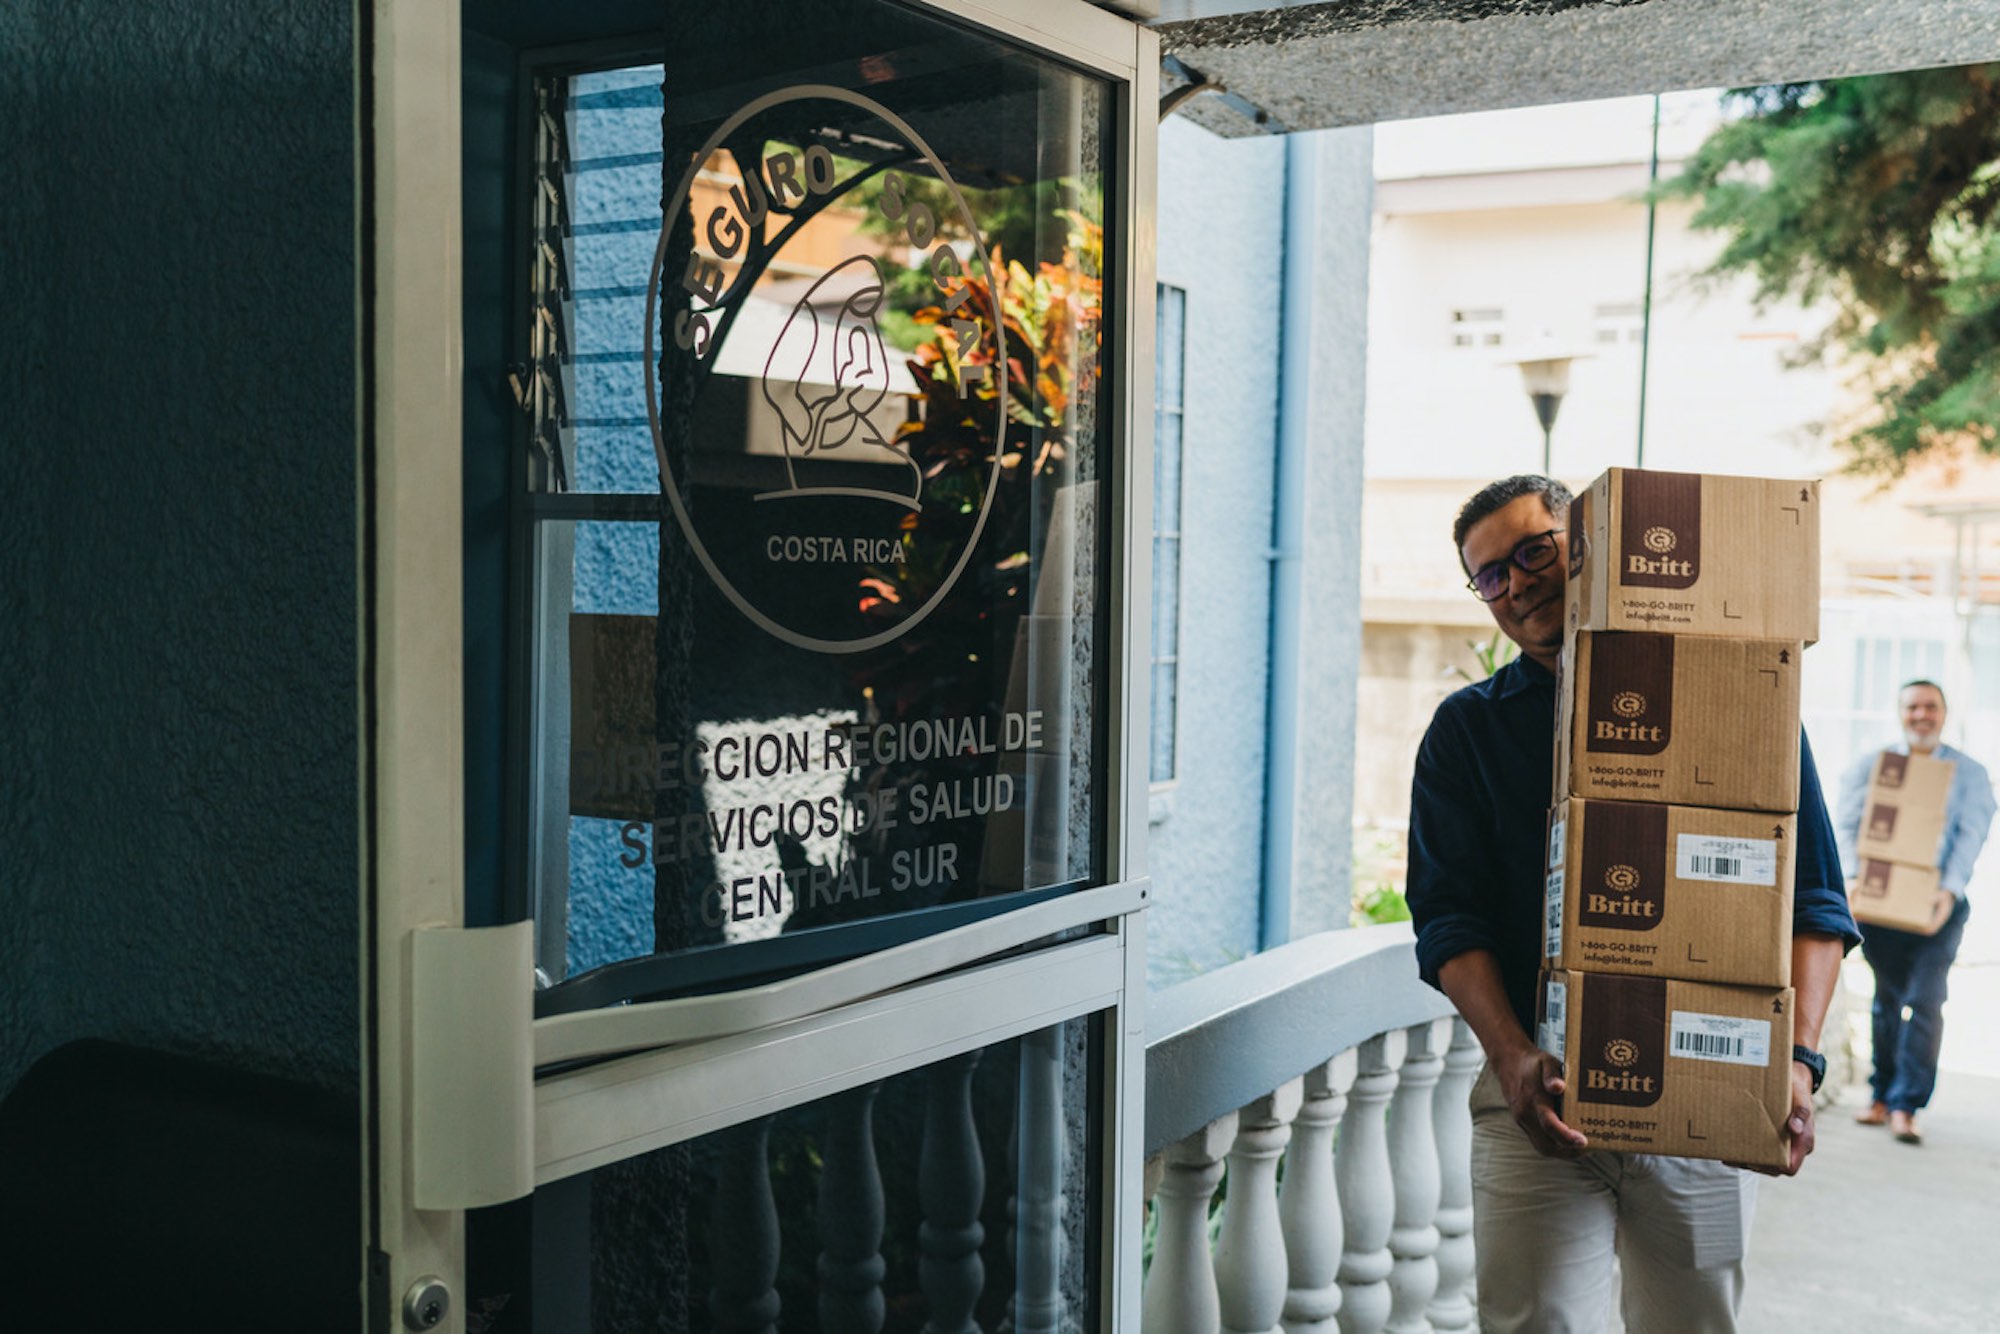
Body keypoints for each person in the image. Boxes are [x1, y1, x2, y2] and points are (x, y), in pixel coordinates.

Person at [1404, 474, 1859, 1334]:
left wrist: (1796, 1066)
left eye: (1534, 550)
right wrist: (1509, 1058)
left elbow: (1815, 901)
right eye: (1491, 575)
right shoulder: (1467, 731)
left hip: (1705, 1104)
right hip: (1538, 1103)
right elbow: (1446, 916)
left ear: (1592, 540)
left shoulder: (1744, 695)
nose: (1518, 583)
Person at [1834, 679, 1996, 1145]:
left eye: (1931, 707)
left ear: (1943, 714)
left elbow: (1972, 834)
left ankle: (1907, 1105)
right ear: (1899, 712)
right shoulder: (1873, 766)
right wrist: (1850, 879)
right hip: (1878, 909)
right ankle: (1881, 1095)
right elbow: (1846, 824)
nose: (1921, 715)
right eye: (1913, 707)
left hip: (1938, 908)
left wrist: (1948, 891)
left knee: (1924, 1001)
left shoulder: (1968, 773)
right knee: (1886, 1001)